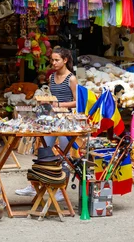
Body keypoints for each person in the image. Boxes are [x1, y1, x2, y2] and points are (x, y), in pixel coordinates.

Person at [15, 46, 77, 198]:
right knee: (44, 152)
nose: (54, 63)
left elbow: (77, 102)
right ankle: (34, 185)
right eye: (52, 60)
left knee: (64, 155)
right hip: (50, 119)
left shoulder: (72, 78)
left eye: (57, 60)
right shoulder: (51, 77)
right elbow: (50, 96)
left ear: (65, 60)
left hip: (65, 121)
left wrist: (59, 105)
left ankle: (62, 190)